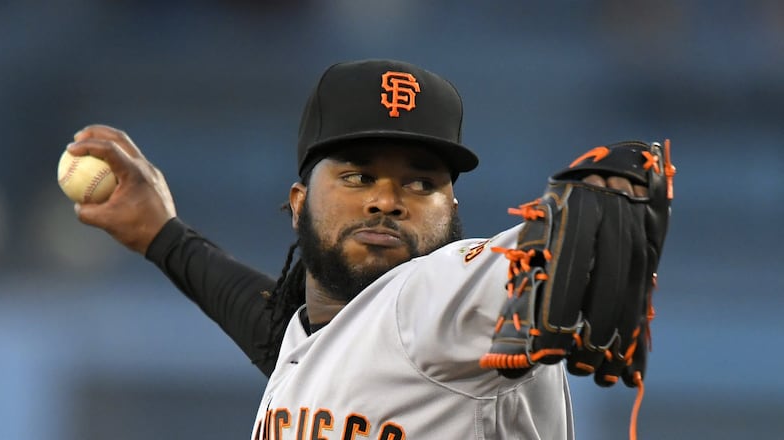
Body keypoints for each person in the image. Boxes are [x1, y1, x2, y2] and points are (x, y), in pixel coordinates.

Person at [69, 59, 651, 439]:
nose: (387, 200)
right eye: (357, 176)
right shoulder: (319, 338)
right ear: (298, 201)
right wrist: (162, 235)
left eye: (421, 183)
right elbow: (276, 326)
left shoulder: (437, 298)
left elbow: (529, 262)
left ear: (453, 211)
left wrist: (592, 218)